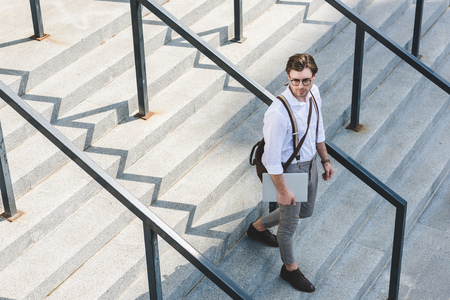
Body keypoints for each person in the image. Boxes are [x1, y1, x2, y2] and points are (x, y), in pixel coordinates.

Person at [246, 53, 334, 293]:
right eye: (295, 81)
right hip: (288, 170)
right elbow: (271, 159)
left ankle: (257, 227)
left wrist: (325, 159)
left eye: (306, 80)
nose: (300, 86)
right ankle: (290, 269)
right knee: (288, 226)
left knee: (304, 212)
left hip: (310, 163)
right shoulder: (278, 112)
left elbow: (318, 128)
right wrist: (283, 190)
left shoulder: (314, 94)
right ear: (288, 77)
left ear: (314, 77)